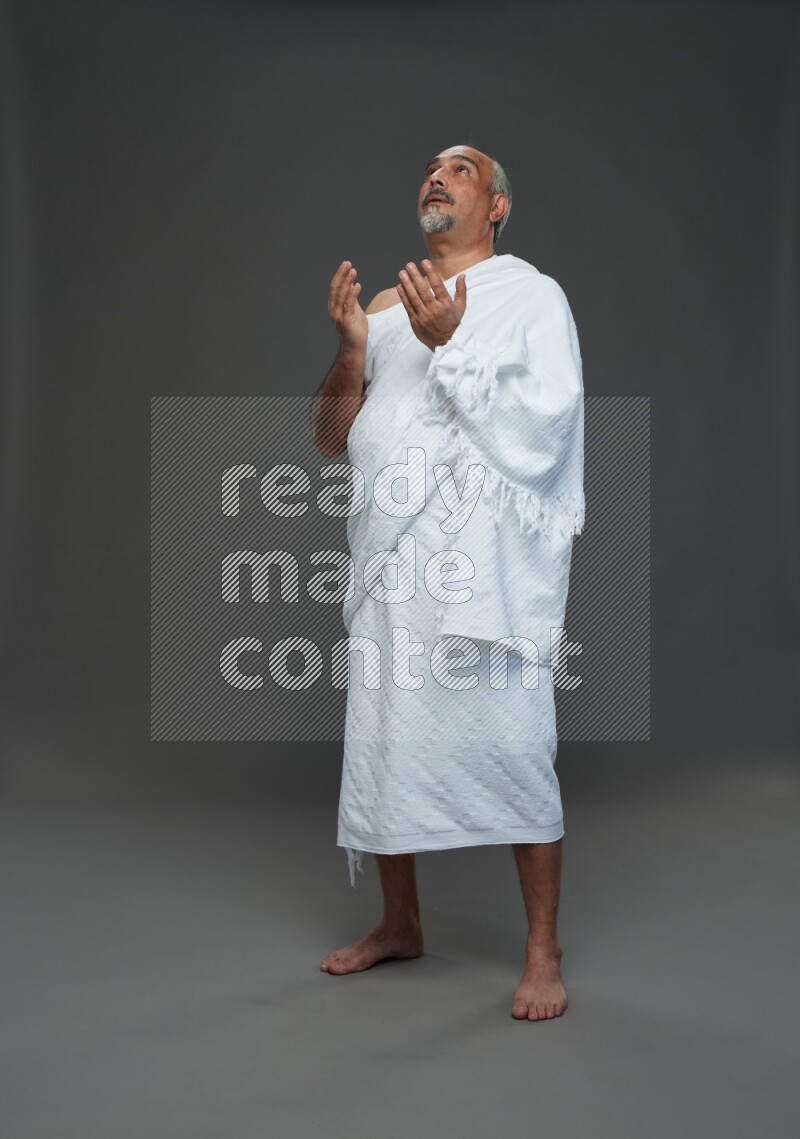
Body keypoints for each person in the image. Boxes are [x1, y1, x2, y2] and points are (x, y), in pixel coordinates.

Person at [310, 145, 585, 1021]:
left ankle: (542, 949)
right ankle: (400, 922)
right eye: (431, 168)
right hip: (394, 560)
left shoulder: (532, 296)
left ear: (496, 203)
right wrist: (354, 350)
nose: (437, 176)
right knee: (391, 736)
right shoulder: (389, 307)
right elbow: (328, 436)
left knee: (513, 740)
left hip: (485, 569)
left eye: (461, 169)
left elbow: (550, 423)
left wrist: (451, 345)